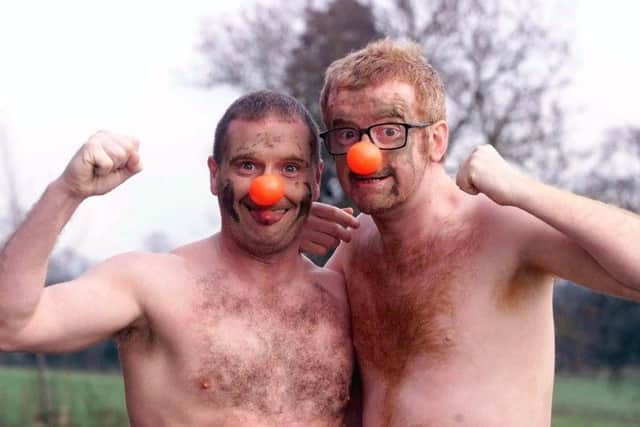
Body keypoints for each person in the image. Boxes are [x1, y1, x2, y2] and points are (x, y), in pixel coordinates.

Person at [302, 39, 640, 426]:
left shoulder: (504, 227)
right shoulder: (352, 249)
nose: (365, 153)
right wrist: (280, 243)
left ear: (436, 140)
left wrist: (525, 190)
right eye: (346, 133)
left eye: (390, 130)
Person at [0, 91, 354, 426]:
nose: (268, 189)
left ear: (316, 177)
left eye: (290, 169)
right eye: (247, 166)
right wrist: (66, 191)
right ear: (216, 175)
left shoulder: (344, 299)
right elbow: (10, 327)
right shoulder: (154, 286)